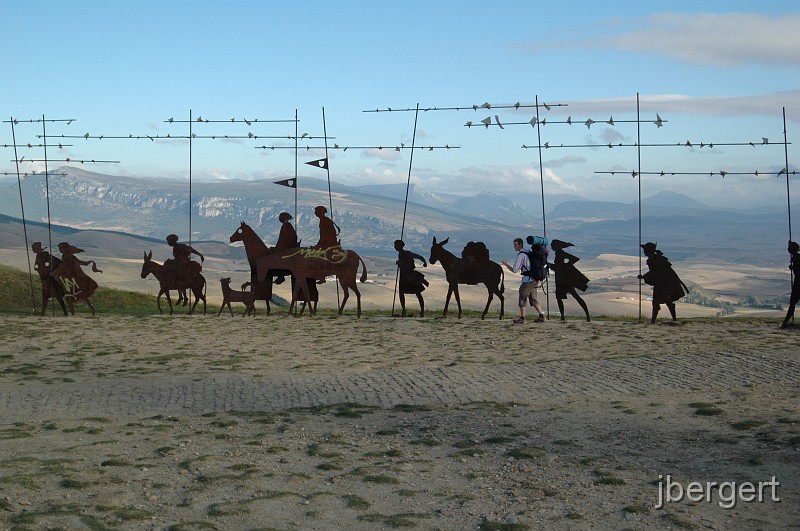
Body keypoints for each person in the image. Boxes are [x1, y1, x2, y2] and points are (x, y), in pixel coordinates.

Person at [637, 242, 688, 324]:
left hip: (664, 284)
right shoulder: (657, 258)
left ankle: (655, 321)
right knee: (665, 301)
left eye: (645, 250)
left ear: (648, 251)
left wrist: (643, 276)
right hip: (663, 283)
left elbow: (654, 271)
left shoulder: (654, 260)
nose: (644, 252)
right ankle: (663, 320)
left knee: (659, 302)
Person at [501, 237, 545, 324]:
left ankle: (522, 318)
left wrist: (505, 264)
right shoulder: (528, 252)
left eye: (516, 245)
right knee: (533, 298)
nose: (514, 247)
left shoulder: (521, 255)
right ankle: (542, 316)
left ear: (520, 244)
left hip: (528, 280)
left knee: (522, 297)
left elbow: (514, 270)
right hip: (535, 278)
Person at [550, 239, 591, 322]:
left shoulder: (561, 254)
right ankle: (563, 316)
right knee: (563, 297)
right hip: (561, 278)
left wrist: (565, 266)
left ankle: (564, 316)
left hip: (563, 280)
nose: (551, 247)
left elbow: (560, 266)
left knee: (573, 296)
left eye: (552, 245)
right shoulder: (559, 254)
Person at [394, 239, 429, 317]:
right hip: (406, 276)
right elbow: (420, 257)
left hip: (407, 276)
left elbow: (407, 263)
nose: (394, 247)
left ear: (399, 246)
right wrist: (424, 262)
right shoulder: (404, 254)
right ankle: (406, 311)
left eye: (395, 245)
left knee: (414, 293)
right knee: (405, 293)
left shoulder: (405, 254)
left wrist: (400, 263)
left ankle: (416, 311)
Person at [780, 240, 800, 329]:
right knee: (792, 303)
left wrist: (793, 267)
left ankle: (785, 323)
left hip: (798, 282)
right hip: (797, 281)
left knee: (792, 303)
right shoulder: (796, 258)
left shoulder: (797, 258)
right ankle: (785, 323)